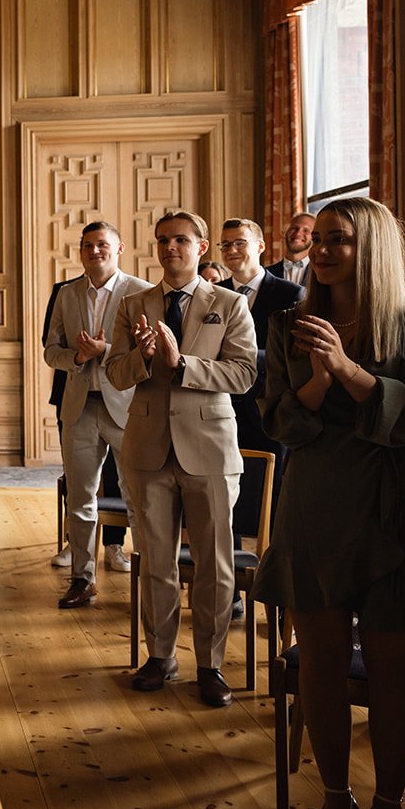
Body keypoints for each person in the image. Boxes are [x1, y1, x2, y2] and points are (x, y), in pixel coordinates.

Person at [252, 197, 405, 809]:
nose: (320, 250)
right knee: (318, 660)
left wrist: (347, 370)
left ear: (371, 247)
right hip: (316, 506)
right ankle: (336, 796)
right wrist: (318, 382)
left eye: (338, 240)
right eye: (317, 238)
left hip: (393, 505)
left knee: (392, 666)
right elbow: (280, 421)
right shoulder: (292, 321)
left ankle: (390, 806)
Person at [105, 211, 256, 709]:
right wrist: (146, 359)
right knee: (156, 563)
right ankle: (160, 657)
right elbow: (116, 372)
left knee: (214, 565)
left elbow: (243, 374)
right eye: (164, 240)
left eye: (182, 240)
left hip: (209, 449)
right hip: (148, 449)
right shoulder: (134, 304)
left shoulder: (230, 304)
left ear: (202, 246)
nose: (171, 247)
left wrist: (181, 365)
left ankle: (210, 665)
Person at [44, 222, 151, 609]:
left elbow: (149, 354)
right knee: (80, 496)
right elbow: (50, 349)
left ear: (119, 247)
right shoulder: (66, 293)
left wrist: (103, 351)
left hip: (127, 407)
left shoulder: (140, 292)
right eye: (88, 245)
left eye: (102, 244)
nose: (95, 251)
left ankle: (146, 581)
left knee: (138, 497)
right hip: (79, 406)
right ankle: (82, 579)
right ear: (81, 251)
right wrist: (76, 357)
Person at [216, 219, 303, 558]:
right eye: (225, 245)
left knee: (272, 495)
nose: (232, 250)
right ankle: (231, 581)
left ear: (261, 246)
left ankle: (271, 572)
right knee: (224, 496)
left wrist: (242, 358)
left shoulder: (289, 294)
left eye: (239, 243)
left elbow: (293, 356)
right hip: (221, 408)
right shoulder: (216, 293)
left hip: (268, 410)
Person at [267, 211, 316, 286]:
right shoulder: (267, 273)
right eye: (295, 228)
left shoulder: (322, 272)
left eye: (306, 230)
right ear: (286, 232)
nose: (298, 233)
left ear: (315, 237)